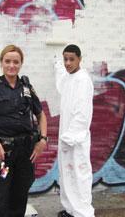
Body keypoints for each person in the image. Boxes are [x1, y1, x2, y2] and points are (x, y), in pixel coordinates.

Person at [0, 44, 48, 217]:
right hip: (2, 153)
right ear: (1, 62)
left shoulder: (27, 88)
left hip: (25, 152)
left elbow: (41, 115)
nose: (12, 65)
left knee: (19, 196)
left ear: (21, 64)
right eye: (7, 61)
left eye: (16, 62)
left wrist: (43, 140)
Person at [54, 44, 95, 217]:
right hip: (66, 135)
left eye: (72, 59)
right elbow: (61, 83)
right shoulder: (70, 77)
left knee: (80, 174)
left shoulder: (83, 80)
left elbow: (82, 112)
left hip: (76, 138)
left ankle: (83, 212)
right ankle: (71, 208)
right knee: (67, 173)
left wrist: (72, 135)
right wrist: (57, 65)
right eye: (65, 59)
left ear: (80, 59)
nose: (68, 63)